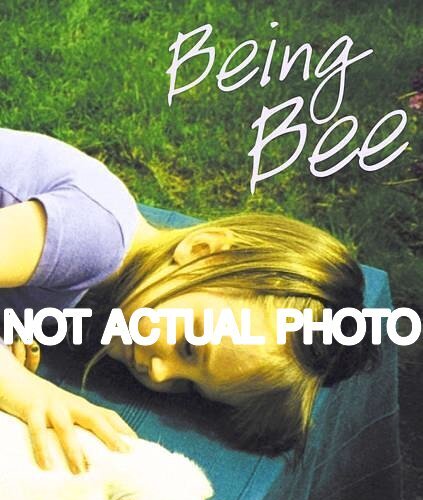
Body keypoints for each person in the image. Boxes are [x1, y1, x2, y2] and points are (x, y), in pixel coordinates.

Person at [0, 128, 375, 474]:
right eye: (189, 347)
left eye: (189, 386)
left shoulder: (108, 298)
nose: (160, 374)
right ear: (203, 253)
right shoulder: (96, 235)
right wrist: (24, 389)